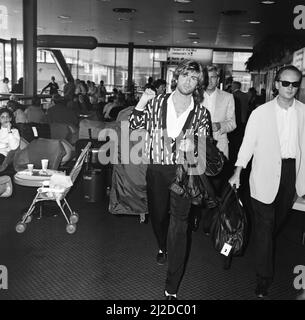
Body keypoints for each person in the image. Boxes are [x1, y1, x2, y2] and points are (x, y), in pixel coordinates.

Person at [129, 59, 211, 300]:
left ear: (198, 83)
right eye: (186, 76)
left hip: (183, 173)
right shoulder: (156, 103)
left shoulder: (201, 113)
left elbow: (205, 147)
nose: (189, 81)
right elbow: (134, 125)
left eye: (194, 78)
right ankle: (162, 245)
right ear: (177, 77)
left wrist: (194, 146)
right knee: (158, 216)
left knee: (179, 225)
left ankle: (171, 285)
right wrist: (143, 100)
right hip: (157, 169)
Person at [229, 65, 305, 299]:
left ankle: (264, 251)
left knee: (275, 225)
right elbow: (248, 144)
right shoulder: (261, 113)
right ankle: (264, 278)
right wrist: (237, 171)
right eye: (285, 83)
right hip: (263, 173)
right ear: (276, 84)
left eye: (295, 84)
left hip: (292, 173)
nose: (290, 88)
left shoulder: (304, 112)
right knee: (264, 228)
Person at [194, 65, 236, 234]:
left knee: (216, 186)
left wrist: (219, 125)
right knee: (197, 183)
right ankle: (196, 214)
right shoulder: (196, 96)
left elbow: (233, 123)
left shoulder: (228, 97)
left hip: (219, 147)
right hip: (198, 147)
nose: (210, 81)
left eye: (214, 77)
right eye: (208, 77)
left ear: (218, 79)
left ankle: (209, 220)